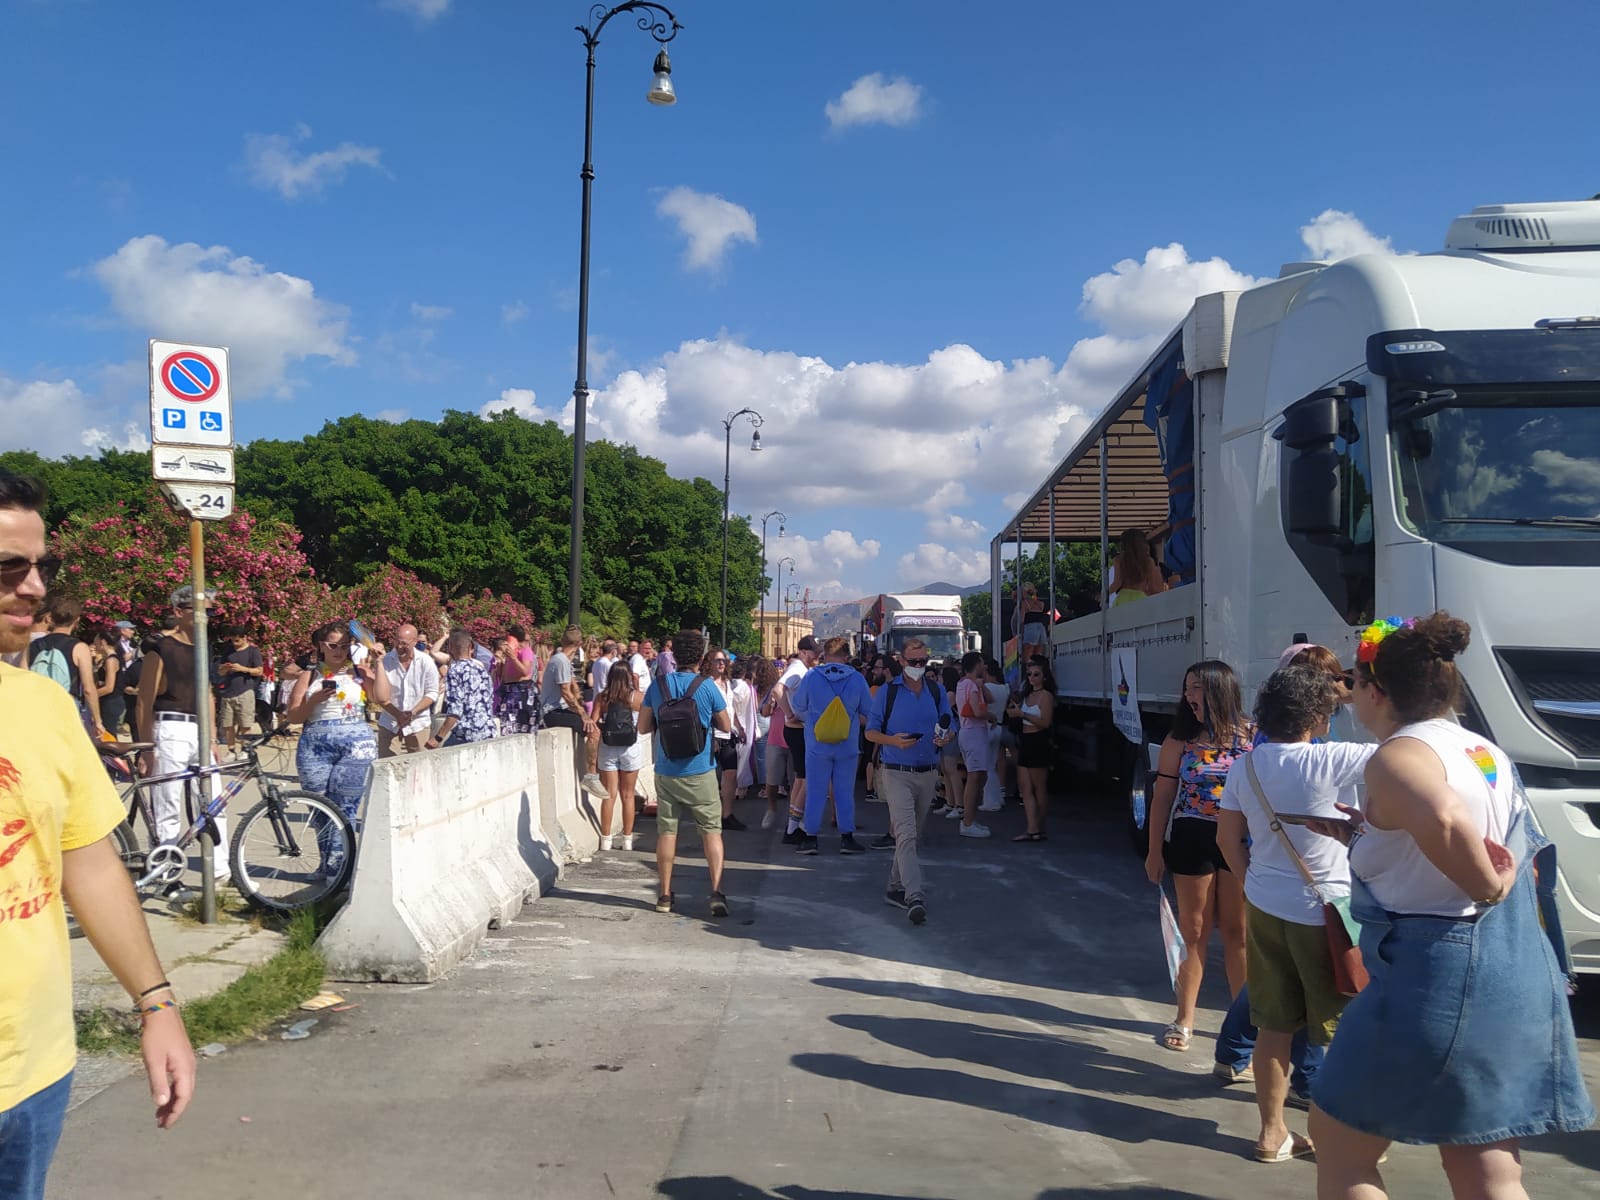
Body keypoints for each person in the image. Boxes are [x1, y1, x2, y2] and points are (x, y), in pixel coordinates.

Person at [1306, 614, 1593, 1197]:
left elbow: (1442, 817)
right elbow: (1449, 823)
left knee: (1339, 1143)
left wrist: (1487, 883)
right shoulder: (1483, 750)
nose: (1350, 698)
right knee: (1484, 1158)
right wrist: (1370, 836)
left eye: (1353, 685)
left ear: (1376, 690)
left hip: (1434, 973)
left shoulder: (1396, 754)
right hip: (1510, 966)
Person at [0, 472, 195, 1198]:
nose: (33, 589)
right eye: (7, 568)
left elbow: (89, 864)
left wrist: (158, 1007)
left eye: (42, 567)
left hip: (36, 1073)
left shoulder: (44, 708)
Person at [1215, 665, 1376, 1163]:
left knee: (1274, 1026)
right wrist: (1351, 693)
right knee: (1338, 1030)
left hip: (1265, 904)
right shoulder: (1335, 760)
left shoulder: (1247, 766)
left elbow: (1226, 839)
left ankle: (1271, 1134)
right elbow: (1407, 748)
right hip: (1325, 911)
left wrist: (1254, 884)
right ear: (1318, 715)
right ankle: (1337, 1135)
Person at [1145, 659, 1252, 1052]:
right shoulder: (1179, 741)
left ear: (1220, 689)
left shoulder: (1254, 736)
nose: (1189, 697)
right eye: (1187, 688)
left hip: (1241, 840)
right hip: (1193, 836)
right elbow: (1162, 799)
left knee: (1239, 934)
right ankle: (1184, 1017)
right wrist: (1154, 850)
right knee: (1194, 932)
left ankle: (1245, 1024)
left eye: (1197, 688)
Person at [135, 586, 231, 884]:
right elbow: (144, 699)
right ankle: (165, 871)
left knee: (214, 801)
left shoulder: (203, 648)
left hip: (198, 728)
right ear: (179, 612)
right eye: (199, 610)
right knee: (168, 802)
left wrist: (213, 737)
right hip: (170, 725)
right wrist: (147, 747)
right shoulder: (161, 647)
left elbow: (208, 693)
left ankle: (220, 870)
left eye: (210, 611)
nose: (206, 616)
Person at [637, 628, 731, 918]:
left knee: (667, 832)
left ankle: (664, 895)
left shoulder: (658, 686)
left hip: (666, 771)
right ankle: (716, 892)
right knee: (711, 833)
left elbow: (642, 727)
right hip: (701, 769)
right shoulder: (706, 686)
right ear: (701, 657)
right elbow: (726, 726)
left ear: (673, 655)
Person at [864, 638, 953, 925]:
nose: (918, 666)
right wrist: (893, 741)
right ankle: (914, 895)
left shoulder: (936, 692)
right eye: (913, 661)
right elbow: (870, 732)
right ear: (901, 661)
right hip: (896, 770)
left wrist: (945, 736)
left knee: (910, 835)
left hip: (928, 772)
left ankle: (893, 887)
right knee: (906, 833)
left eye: (922, 662)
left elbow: (948, 726)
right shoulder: (888, 693)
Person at [282, 621, 391, 834]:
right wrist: (313, 701)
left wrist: (380, 663)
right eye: (333, 646)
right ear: (321, 646)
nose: (339, 651)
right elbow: (294, 716)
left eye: (344, 646)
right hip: (314, 747)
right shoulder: (310, 675)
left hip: (356, 746)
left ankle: (342, 864)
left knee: (345, 809)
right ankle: (329, 866)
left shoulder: (360, 672)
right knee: (319, 810)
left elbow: (382, 698)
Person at [789, 636, 874, 855]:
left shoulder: (811, 676)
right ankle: (847, 838)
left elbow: (798, 706)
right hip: (847, 744)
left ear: (824, 655)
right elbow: (868, 710)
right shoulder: (856, 678)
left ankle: (810, 838)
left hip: (817, 744)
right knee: (844, 791)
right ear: (847, 656)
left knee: (816, 790)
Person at [540, 625, 607, 800]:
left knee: (594, 725)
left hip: (559, 708)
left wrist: (581, 707)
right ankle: (591, 776)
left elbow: (572, 687)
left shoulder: (561, 660)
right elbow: (565, 692)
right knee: (594, 731)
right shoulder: (561, 660)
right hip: (552, 711)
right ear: (579, 644)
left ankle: (594, 772)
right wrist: (583, 714)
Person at [27, 597, 103, 737]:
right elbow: (88, 689)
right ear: (76, 620)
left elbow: (23, 678)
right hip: (66, 709)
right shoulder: (79, 648)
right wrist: (97, 720)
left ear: (50, 618)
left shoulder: (32, 646)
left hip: (36, 708)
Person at [594, 661, 644, 850]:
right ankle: (627, 840)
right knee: (628, 795)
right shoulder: (637, 698)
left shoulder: (603, 697)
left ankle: (605, 840)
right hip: (631, 747)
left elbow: (593, 722)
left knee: (609, 794)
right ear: (629, 676)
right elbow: (646, 723)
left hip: (608, 747)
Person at [776, 636, 819, 844]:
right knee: (807, 778)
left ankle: (793, 825)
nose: (816, 657)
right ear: (802, 652)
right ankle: (794, 826)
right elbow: (778, 690)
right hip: (797, 728)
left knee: (802, 778)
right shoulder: (797, 669)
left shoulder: (800, 668)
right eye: (813, 653)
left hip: (797, 728)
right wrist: (789, 713)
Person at [1009, 656, 1055, 841]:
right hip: (1025, 740)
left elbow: (1045, 722)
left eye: (1036, 674)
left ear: (1044, 676)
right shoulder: (1027, 695)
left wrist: (1023, 713)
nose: (1032, 677)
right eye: (1029, 674)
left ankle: (1040, 826)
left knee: (1039, 787)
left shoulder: (1046, 696)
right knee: (1024, 786)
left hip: (1039, 740)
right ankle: (1031, 827)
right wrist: (1015, 713)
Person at [377, 623, 441, 756]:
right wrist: (398, 715)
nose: (400, 647)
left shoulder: (426, 661)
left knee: (419, 765)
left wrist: (412, 712)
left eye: (404, 643)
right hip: (390, 721)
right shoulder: (385, 661)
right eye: (397, 642)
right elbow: (380, 696)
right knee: (386, 765)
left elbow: (432, 693)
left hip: (418, 723)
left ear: (415, 642)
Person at [426, 630, 495, 747]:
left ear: (451, 648)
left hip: (466, 734)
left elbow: (455, 710)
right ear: (471, 647)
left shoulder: (455, 671)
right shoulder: (481, 670)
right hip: (487, 731)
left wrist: (438, 737)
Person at [953, 651, 993, 838]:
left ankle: (970, 819)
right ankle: (968, 822)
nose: (984, 666)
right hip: (974, 733)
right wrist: (991, 717)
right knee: (975, 777)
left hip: (968, 733)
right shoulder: (970, 685)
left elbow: (990, 699)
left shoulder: (963, 684)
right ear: (976, 664)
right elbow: (977, 711)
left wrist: (982, 684)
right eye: (982, 663)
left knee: (978, 776)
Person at [215, 626, 263, 750]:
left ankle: (245, 750)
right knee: (227, 724)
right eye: (232, 641)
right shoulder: (228, 650)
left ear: (244, 638)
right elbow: (220, 671)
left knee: (245, 724)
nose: (234, 644)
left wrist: (243, 669)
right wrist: (224, 668)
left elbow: (259, 671)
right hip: (228, 691)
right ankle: (231, 750)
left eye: (237, 641)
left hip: (245, 691)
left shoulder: (253, 651)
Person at [755, 657, 790, 829]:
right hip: (776, 738)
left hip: (795, 740)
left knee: (797, 780)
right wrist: (771, 702)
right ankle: (771, 809)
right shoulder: (773, 690)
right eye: (780, 668)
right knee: (772, 779)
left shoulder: (799, 689)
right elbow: (764, 712)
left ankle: (795, 816)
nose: (781, 671)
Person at [496, 623, 538, 734]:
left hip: (521, 690)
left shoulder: (525, 651)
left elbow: (525, 671)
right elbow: (503, 675)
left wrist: (514, 658)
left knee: (520, 724)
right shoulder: (510, 651)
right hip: (508, 689)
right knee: (505, 724)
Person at [1109, 528, 1166, 605]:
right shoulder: (1149, 561)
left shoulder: (1119, 559)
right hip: (1140, 598)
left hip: (1123, 597)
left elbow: (1117, 583)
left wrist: (1103, 595)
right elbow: (1152, 586)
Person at [90, 627, 125, 739]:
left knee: (108, 734)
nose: (94, 644)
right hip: (107, 701)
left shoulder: (111, 660)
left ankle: (116, 756)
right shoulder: (105, 660)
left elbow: (109, 687)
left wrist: (90, 696)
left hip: (111, 701)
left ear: (102, 642)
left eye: (96, 641)